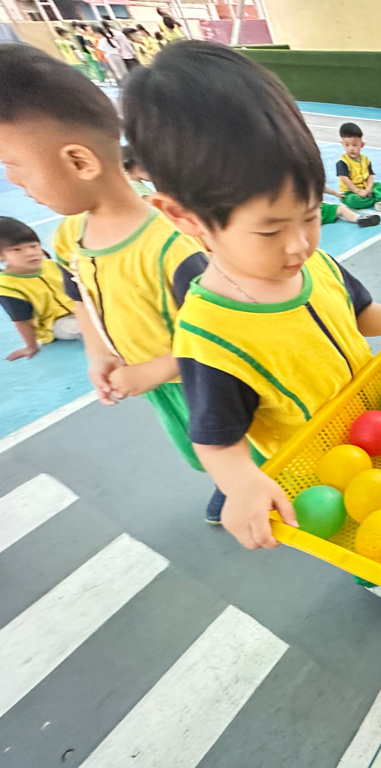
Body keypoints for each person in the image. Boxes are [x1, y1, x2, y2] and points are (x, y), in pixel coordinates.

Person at [122, 42, 381, 605]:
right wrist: (240, 484)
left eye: (310, 215)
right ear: (183, 217)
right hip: (322, 468)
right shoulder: (210, 335)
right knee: (360, 530)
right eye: (271, 230)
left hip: (375, 420)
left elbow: (358, 313)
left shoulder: (314, 265)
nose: (300, 244)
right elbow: (216, 438)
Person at [0, 44, 215, 507]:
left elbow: (223, 334)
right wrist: (98, 351)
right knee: (195, 446)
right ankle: (225, 481)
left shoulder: (172, 245)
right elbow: (79, 293)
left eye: (14, 165)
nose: (13, 180)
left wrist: (157, 369)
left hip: (206, 379)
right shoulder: (70, 235)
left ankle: (249, 483)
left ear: (80, 161)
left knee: (237, 441)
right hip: (154, 381)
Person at [0, 217, 79, 361]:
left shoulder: (51, 265)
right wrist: (31, 346)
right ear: (1, 256)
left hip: (82, 310)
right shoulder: (7, 287)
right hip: (56, 324)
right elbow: (21, 320)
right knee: (83, 328)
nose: (30, 253)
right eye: (17, 250)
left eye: (34, 246)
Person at [334, 122, 381, 213]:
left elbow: (370, 176)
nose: (351, 148)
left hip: (365, 189)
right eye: (347, 145)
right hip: (350, 192)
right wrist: (357, 191)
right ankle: (379, 199)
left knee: (378, 185)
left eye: (354, 145)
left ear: (361, 144)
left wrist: (368, 189)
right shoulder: (342, 162)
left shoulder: (366, 159)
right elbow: (345, 179)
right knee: (353, 200)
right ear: (342, 144)